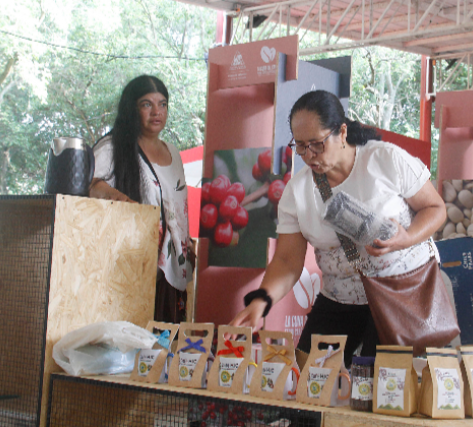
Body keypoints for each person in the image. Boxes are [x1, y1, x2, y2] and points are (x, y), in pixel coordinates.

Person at [230, 90, 447, 366]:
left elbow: (435, 209)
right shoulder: (297, 191)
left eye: (317, 144)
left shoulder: (384, 159)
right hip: (341, 295)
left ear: (342, 132)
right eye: (300, 146)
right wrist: (262, 299)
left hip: (402, 289)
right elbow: (286, 260)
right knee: (311, 371)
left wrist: (406, 238)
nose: (309, 155)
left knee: (379, 380)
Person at [90, 75, 193, 323]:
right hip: (130, 262)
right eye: (147, 104)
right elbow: (92, 185)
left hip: (173, 264)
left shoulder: (173, 152)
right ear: (132, 108)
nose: (156, 112)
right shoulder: (113, 147)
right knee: (134, 339)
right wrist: (123, 201)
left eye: (163, 104)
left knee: (165, 341)